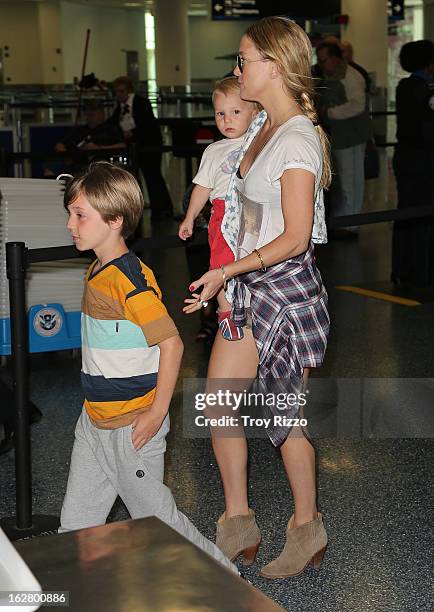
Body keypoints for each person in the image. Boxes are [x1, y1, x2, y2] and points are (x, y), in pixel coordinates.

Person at [184, 17, 330, 578]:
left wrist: (227, 273)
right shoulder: (261, 125)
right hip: (245, 289)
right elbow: (237, 209)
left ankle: (306, 528)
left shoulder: (295, 138)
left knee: (283, 418)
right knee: (219, 404)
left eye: (244, 59)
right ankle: (238, 522)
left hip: (284, 294)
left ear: (275, 65)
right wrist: (223, 274)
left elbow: (295, 237)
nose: (237, 68)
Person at [59, 162, 237, 574]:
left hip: (132, 427)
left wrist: (156, 414)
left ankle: (228, 581)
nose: (71, 224)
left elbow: (172, 345)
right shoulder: (98, 269)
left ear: (115, 220)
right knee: (77, 525)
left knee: (158, 524)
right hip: (96, 421)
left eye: (80, 215)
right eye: (71, 213)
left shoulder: (129, 281)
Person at [179, 77, 257, 341]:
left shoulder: (260, 143)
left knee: (253, 262)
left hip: (253, 211)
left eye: (236, 112)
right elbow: (202, 187)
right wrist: (189, 217)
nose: (227, 120)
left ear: (254, 112)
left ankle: (252, 308)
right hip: (222, 214)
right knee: (220, 264)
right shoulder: (214, 150)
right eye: (220, 114)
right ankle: (225, 312)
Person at [316, 41, 371, 235]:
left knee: (351, 181)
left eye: (324, 60)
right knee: (345, 181)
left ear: (335, 58)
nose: (322, 65)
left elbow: (357, 105)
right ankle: (345, 221)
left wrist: (330, 112)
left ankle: (350, 223)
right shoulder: (333, 76)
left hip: (351, 137)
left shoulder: (352, 77)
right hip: (340, 136)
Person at [392, 40, 434, 287]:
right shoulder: (426, 90)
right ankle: (421, 272)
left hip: (405, 157)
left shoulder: (404, 86)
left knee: (405, 212)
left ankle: (401, 268)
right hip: (424, 159)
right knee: (424, 214)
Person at [109, 76, 173, 221]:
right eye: (117, 92)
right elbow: (113, 122)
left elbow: (147, 125)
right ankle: (154, 208)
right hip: (135, 147)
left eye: (121, 91)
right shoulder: (120, 107)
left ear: (129, 90)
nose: (119, 95)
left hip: (149, 145)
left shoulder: (141, 103)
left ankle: (162, 209)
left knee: (153, 176)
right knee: (146, 177)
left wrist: (131, 133)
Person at [55, 100, 125, 153]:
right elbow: (60, 145)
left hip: (103, 162)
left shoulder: (111, 129)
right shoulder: (80, 130)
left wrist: (99, 148)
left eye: (93, 112)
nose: (90, 116)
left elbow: (122, 146)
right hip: (80, 163)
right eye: (88, 113)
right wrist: (67, 155)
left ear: (102, 113)